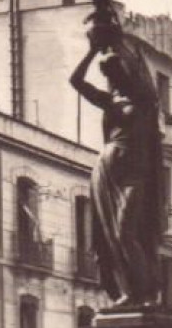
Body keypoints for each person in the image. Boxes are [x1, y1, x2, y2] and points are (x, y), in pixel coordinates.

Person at [70, 18, 163, 310]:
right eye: (106, 69)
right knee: (111, 237)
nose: (111, 71)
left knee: (126, 232)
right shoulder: (109, 100)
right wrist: (92, 50)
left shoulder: (145, 100)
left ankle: (145, 294)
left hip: (133, 173)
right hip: (107, 170)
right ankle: (127, 293)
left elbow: (140, 71)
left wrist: (115, 41)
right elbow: (75, 81)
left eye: (114, 67)